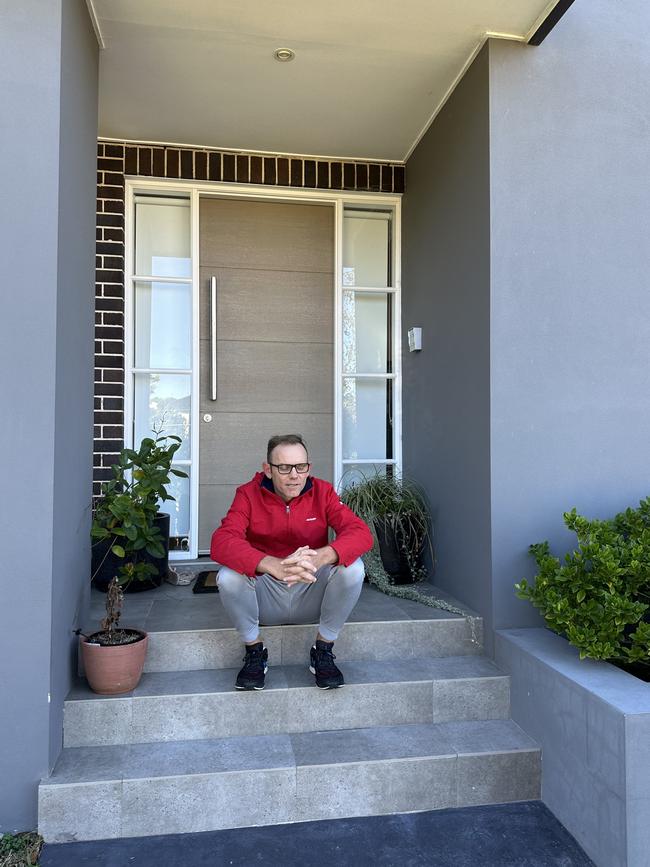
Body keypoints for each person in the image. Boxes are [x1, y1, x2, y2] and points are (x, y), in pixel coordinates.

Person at [210, 434, 373, 691]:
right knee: (228, 575)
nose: (294, 475)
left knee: (354, 569)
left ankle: (323, 650)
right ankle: (255, 651)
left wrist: (321, 557)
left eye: (301, 467)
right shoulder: (248, 494)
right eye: (284, 467)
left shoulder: (323, 491)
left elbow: (361, 533)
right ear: (268, 469)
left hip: (309, 588)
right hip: (266, 594)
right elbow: (221, 541)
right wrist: (272, 564)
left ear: (309, 466)